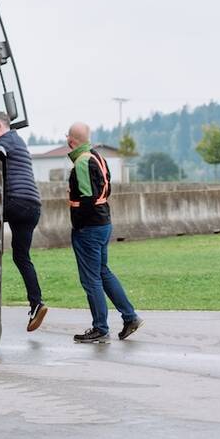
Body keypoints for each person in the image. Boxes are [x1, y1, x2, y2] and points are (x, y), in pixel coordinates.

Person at [66, 122, 143, 343]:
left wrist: (79, 225)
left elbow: (88, 199)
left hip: (88, 228)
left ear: (71, 140)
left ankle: (100, 327)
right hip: (104, 223)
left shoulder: (81, 162)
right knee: (103, 272)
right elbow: (104, 190)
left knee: (91, 280)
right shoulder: (98, 157)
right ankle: (130, 317)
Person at [0, 110, 47, 331]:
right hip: (33, 208)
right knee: (21, 256)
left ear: (0, 127)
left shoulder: (7, 140)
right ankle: (36, 303)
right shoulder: (17, 142)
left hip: (17, 204)